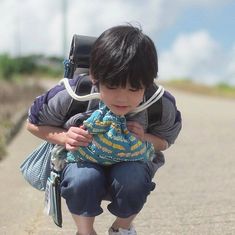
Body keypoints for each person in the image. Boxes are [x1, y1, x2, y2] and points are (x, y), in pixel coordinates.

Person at [26, 24, 182, 235]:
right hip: (82, 162)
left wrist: (145, 137)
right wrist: (64, 137)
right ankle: (85, 231)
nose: (121, 98)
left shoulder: (159, 104)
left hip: (131, 163)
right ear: (94, 76)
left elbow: (164, 141)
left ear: (149, 81)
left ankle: (122, 228)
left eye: (134, 89)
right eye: (112, 86)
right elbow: (32, 123)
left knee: (133, 180)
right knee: (83, 179)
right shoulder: (72, 94)